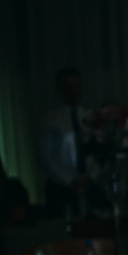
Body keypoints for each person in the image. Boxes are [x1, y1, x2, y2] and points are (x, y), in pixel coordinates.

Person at [38, 66, 93, 217]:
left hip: (88, 184)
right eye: (68, 86)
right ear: (59, 89)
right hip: (61, 187)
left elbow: (96, 152)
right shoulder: (51, 119)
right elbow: (44, 156)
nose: (73, 90)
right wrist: (68, 181)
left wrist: (91, 177)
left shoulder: (91, 117)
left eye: (76, 85)